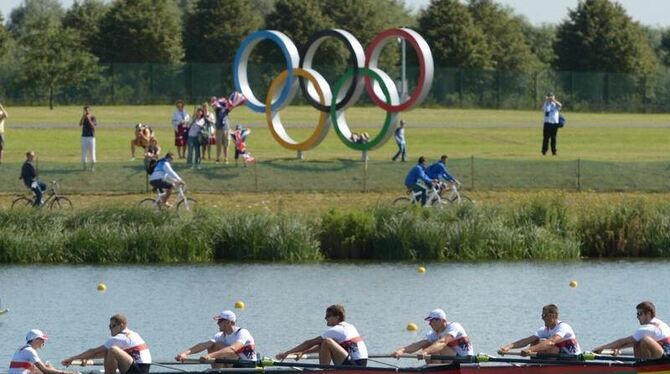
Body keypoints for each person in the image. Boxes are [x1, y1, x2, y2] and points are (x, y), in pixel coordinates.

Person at [275, 304, 368, 366]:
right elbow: (323, 347)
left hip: (354, 365)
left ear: (337, 317)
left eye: (328, 316)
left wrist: (286, 353)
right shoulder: (350, 326)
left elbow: (309, 343)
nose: (325, 318)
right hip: (361, 364)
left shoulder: (336, 330)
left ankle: (324, 370)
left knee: (327, 341)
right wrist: (304, 352)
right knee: (327, 342)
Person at [62, 314, 151, 374]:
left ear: (122, 325)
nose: (111, 329)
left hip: (138, 370)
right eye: (110, 326)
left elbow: (94, 351)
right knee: (108, 350)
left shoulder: (119, 338)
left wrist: (72, 358)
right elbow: (100, 353)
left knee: (113, 349)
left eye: (113, 326)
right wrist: (86, 357)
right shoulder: (133, 334)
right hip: (142, 368)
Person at [175, 310, 256, 367]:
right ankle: (218, 370)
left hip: (246, 365)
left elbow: (233, 349)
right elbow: (204, 345)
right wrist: (185, 353)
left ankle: (219, 370)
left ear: (228, 322)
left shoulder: (242, 332)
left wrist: (210, 356)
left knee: (218, 345)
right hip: (232, 364)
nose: (217, 323)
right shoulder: (219, 335)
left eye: (220, 321)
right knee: (211, 345)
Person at [593, 301, 670, 359]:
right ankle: (643, 365)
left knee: (645, 340)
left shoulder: (647, 329)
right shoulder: (661, 323)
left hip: (665, 357)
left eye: (640, 314)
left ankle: (646, 367)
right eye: (637, 314)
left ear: (648, 314)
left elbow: (623, 341)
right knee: (637, 342)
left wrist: (602, 348)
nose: (637, 317)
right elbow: (629, 342)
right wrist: (616, 348)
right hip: (664, 351)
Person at [391, 308, 473, 363]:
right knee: (426, 344)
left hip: (465, 361)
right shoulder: (433, 333)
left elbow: (443, 342)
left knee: (432, 346)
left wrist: (425, 352)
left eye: (431, 321)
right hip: (452, 360)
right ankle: (434, 369)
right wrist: (401, 350)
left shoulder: (454, 326)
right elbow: (418, 344)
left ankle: (436, 369)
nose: (429, 324)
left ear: (441, 320)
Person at [498, 304, 581, 357]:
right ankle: (535, 366)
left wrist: (531, 350)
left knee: (549, 346)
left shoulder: (563, 327)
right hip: (559, 358)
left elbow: (551, 342)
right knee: (535, 341)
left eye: (545, 315)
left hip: (572, 359)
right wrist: (508, 347)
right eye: (542, 315)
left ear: (554, 315)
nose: (542, 317)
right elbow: (527, 340)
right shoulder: (544, 330)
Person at [10, 329, 74, 374]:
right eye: (42, 339)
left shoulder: (21, 349)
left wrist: (52, 369)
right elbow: (44, 370)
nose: (44, 342)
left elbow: (35, 369)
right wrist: (66, 373)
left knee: (46, 366)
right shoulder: (30, 351)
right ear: (36, 339)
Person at [211, 97, 231, 164]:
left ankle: (226, 159)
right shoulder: (217, 108)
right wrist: (215, 102)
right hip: (219, 129)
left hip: (226, 128)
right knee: (218, 145)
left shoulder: (227, 108)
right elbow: (213, 106)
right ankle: (218, 159)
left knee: (226, 144)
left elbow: (231, 107)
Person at [79, 106, 97, 171]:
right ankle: (84, 166)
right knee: (84, 153)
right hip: (84, 137)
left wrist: (89, 119)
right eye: (85, 110)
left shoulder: (93, 117)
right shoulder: (83, 117)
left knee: (92, 152)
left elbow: (94, 127)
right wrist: (83, 117)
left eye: (87, 110)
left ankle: (92, 167)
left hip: (91, 137)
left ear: (90, 110)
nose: (86, 112)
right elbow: (80, 124)